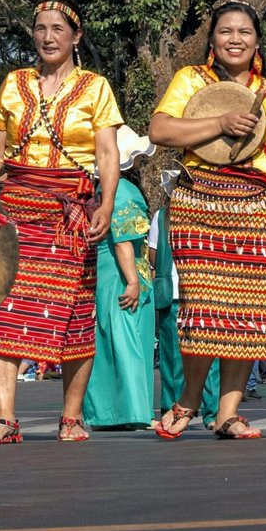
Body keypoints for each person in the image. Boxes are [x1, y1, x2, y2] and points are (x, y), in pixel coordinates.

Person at [149, 0, 266, 441]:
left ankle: (228, 414)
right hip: (198, 201)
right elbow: (161, 131)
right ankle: (187, 401)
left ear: (257, 41)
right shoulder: (190, 80)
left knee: (247, 311)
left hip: (254, 205)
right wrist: (220, 121)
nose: (235, 39)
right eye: (226, 31)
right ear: (212, 40)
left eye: (244, 31)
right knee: (205, 308)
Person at [0, 1, 123, 445]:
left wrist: (108, 203)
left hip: (71, 210)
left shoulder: (95, 88)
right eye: (40, 28)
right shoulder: (14, 84)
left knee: (76, 312)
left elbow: (106, 153)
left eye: (58, 29)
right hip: (17, 207)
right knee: (4, 309)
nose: (48, 36)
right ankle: (5, 419)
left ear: (75, 37)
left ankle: (71, 417)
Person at [83, 129, 156, 430]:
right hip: (122, 273)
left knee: (105, 342)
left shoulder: (100, 192)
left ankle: (106, 412)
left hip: (103, 274)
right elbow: (124, 240)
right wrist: (133, 281)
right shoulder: (125, 191)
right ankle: (132, 410)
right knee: (129, 342)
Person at [145, 170, 220, 423]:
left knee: (209, 355)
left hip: (202, 293)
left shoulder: (206, 214)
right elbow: (153, 253)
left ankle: (213, 412)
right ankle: (172, 409)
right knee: (171, 358)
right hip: (173, 294)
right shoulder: (161, 217)